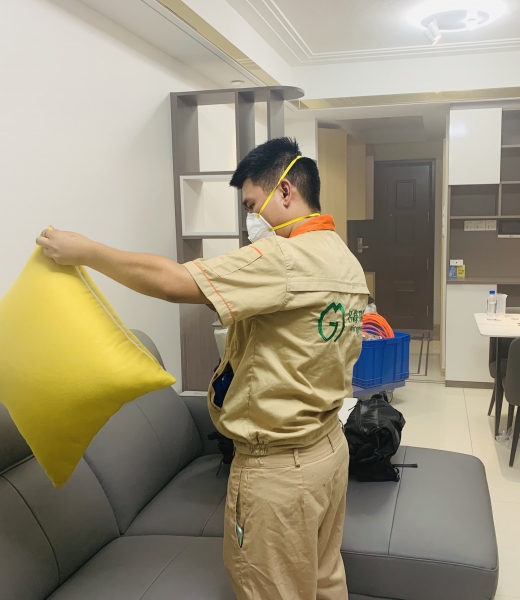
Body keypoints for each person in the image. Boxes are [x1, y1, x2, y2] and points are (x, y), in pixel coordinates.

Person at [36, 137, 369, 600]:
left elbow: (174, 282)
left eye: (252, 205)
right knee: (325, 579)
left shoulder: (284, 258)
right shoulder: (344, 258)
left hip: (279, 470)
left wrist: (86, 251)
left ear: (286, 190)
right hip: (328, 451)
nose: (251, 220)